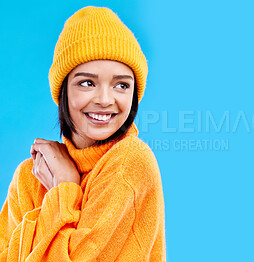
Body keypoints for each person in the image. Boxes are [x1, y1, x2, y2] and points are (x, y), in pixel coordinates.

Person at [0, 6, 166, 261]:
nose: (104, 99)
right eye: (87, 83)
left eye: (121, 85)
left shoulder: (129, 162)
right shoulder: (30, 177)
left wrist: (65, 188)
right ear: (63, 90)